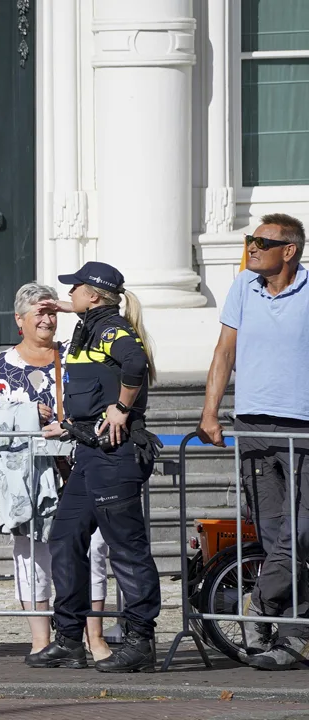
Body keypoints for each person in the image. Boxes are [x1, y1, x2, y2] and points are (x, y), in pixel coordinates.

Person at [30, 261, 161, 673]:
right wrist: (74, 310)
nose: (68, 293)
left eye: (76, 289)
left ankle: (140, 641)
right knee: (65, 538)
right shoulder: (94, 323)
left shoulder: (111, 329)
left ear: (93, 294)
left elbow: (135, 363)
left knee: (126, 549)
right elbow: (100, 329)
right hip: (90, 454)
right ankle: (69, 640)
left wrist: (122, 408)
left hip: (116, 455)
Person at [0, 282, 112, 663]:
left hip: (75, 467)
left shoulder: (75, 356)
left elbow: (98, 401)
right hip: (26, 476)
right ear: (20, 321)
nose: (48, 320)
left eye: (52, 312)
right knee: (31, 553)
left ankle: (93, 638)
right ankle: (41, 641)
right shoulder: (5, 364)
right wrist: (29, 415)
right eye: (40, 313)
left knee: (93, 548)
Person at [198, 213, 309, 670]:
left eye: (263, 240)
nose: (252, 246)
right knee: (271, 533)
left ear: (290, 250)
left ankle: (258, 604)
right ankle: (289, 638)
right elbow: (225, 349)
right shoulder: (244, 285)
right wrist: (210, 410)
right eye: (249, 238)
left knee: (300, 533)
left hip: (303, 427)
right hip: (253, 427)